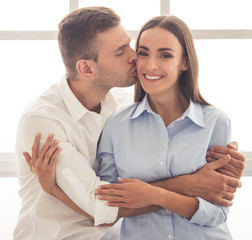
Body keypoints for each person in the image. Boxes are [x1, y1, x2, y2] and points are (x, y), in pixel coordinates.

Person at [18, 7, 245, 240]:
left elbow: (218, 203)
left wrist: (229, 168)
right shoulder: (44, 121)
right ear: (86, 68)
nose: (134, 57)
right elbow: (103, 205)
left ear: (185, 61)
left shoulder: (121, 105)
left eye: (130, 46)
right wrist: (189, 184)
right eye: (120, 52)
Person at [93, 15, 240, 239]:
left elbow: (217, 212)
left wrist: (152, 193)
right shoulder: (116, 126)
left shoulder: (215, 122)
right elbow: (108, 208)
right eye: (143, 53)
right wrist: (189, 185)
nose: (151, 65)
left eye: (165, 55)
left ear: (185, 62)